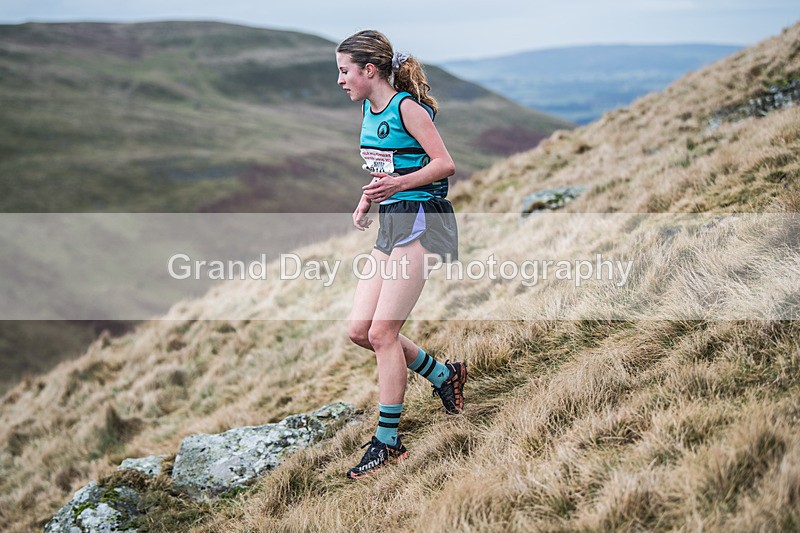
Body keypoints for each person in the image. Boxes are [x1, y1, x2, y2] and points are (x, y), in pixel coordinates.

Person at [336, 29, 467, 479]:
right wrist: (369, 197)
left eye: (344, 71)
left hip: (424, 220)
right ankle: (442, 375)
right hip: (393, 222)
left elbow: (443, 163)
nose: (341, 81)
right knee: (360, 329)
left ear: (369, 71)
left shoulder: (406, 108)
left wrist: (397, 187)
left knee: (383, 333)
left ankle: (388, 442)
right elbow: (387, 167)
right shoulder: (368, 112)